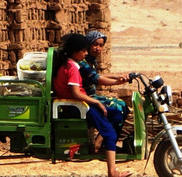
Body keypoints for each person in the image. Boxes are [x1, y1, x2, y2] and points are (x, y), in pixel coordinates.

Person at [52, 33, 132, 177]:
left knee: (114, 114)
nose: (86, 53)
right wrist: (96, 102)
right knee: (109, 132)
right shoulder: (73, 68)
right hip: (81, 105)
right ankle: (112, 171)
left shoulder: (67, 64)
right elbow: (76, 93)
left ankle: (104, 147)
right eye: (83, 50)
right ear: (75, 51)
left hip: (79, 103)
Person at [79, 30, 131, 135]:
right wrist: (117, 82)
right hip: (86, 98)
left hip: (92, 96)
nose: (98, 48)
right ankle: (104, 140)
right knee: (118, 109)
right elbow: (97, 79)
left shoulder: (91, 61)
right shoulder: (82, 62)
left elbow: (97, 75)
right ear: (88, 44)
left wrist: (117, 76)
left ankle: (106, 140)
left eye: (101, 45)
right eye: (95, 44)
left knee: (124, 106)